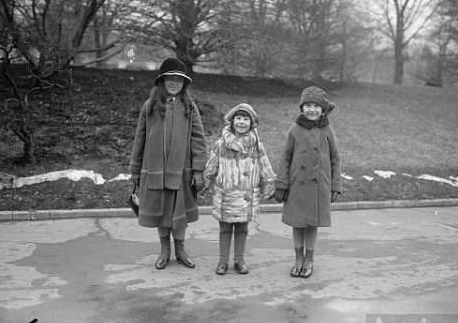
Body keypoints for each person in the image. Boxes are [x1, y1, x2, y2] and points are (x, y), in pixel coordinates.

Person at [129, 58, 207, 270]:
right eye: (170, 79)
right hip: (155, 171)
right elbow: (140, 138)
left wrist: (198, 170)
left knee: (178, 214)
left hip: (181, 172)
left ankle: (180, 250)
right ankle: (165, 250)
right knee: (162, 212)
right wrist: (135, 169)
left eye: (179, 80)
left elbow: (198, 139)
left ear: (184, 84)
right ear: (162, 81)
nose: (174, 83)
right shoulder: (151, 106)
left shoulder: (189, 107)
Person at [274, 86, 342, 278]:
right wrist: (281, 183)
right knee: (297, 223)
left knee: (311, 224)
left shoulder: (327, 130)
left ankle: (309, 259)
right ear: (302, 107)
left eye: (316, 106)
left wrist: (336, 185)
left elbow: (335, 159)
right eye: (308, 105)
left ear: (323, 109)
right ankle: (298, 258)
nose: (312, 110)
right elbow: (285, 157)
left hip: (319, 186)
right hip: (297, 185)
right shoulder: (294, 130)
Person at [203, 103, 276, 275]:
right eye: (238, 118)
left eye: (245, 119)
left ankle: (239, 260)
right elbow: (211, 166)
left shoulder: (257, 146)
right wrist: (204, 183)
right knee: (225, 228)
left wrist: (270, 185)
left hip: (246, 195)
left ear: (252, 123)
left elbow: (265, 167)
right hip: (226, 193)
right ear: (232, 120)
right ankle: (223, 261)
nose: (241, 122)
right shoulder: (221, 144)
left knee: (242, 228)